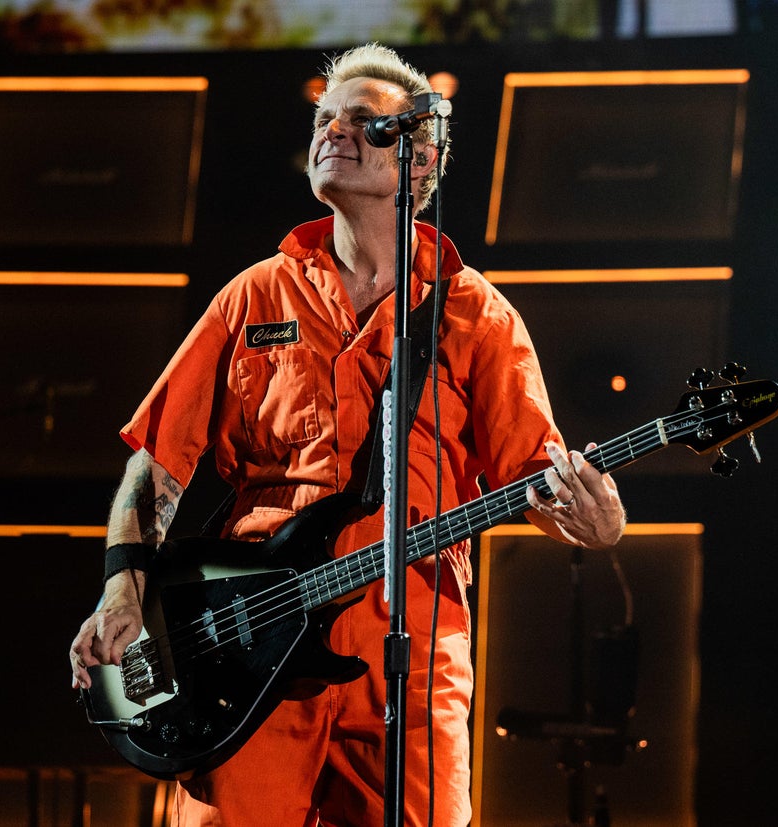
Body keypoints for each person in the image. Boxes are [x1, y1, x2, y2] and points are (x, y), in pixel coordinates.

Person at [68, 41, 627, 827]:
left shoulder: (478, 314)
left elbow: (537, 477)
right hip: (245, 636)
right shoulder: (254, 294)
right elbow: (153, 468)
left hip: (415, 643)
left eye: (364, 123)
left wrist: (596, 521)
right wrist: (122, 587)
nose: (333, 132)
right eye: (325, 120)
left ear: (420, 157)